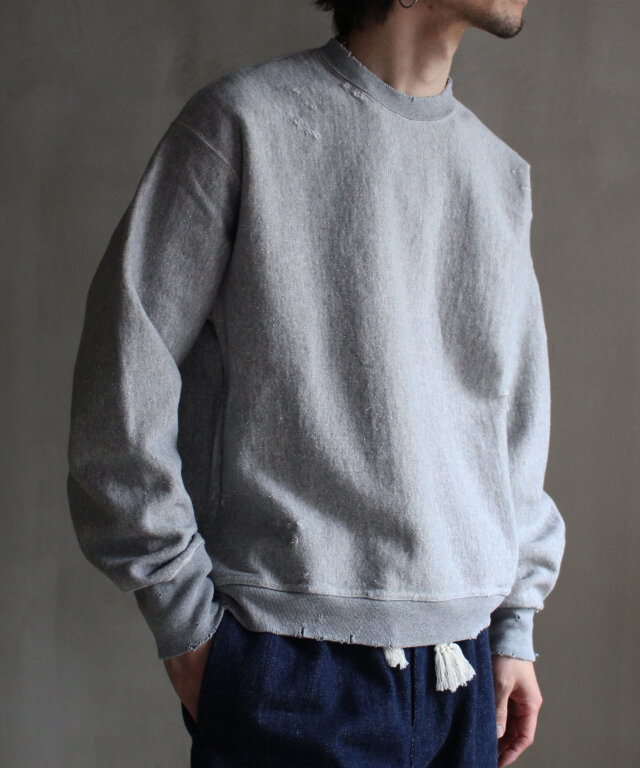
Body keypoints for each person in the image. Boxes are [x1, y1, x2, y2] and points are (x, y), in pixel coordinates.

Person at [66, 0, 566, 766]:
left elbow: (514, 423)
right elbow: (122, 374)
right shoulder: (242, 124)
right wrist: (187, 627)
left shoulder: (497, 175)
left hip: (465, 673)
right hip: (291, 669)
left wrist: (514, 628)